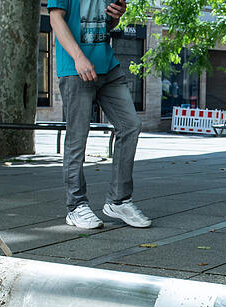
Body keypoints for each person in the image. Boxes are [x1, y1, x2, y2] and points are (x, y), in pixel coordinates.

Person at [48, 0, 150, 229]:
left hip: (108, 65)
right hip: (75, 68)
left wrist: (116, 16)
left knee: (131, 125)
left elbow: (104, 24)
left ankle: (119, 201)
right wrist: (78, 57)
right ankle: (76, 206)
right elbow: (55, 18)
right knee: (77, 137)